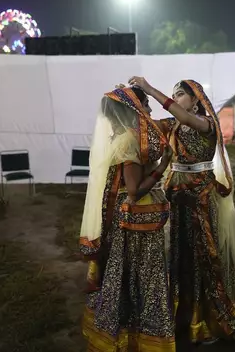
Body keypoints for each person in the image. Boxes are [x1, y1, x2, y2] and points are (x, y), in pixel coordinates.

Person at [126, 77, 235, 345]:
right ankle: (180, 319)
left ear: (196, 101)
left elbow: (179, 115)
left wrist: (149, 88)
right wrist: (132, 101)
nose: (176, 99)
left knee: (204, 257)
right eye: (174, 95)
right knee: (179, 256)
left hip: (201, 200)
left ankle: (207, 321)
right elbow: (145, 125)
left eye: (181, 94)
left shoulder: (206, 125)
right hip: (176, 197)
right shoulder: (172, 126)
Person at [79, 86, 176, 352]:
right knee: (144, 278)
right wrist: (163, 166)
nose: (150, 110)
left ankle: (131, 335)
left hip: (137, 221)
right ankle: (143, 339)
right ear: (134, 109)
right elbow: (133, 192)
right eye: (146, 105)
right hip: (136, 223)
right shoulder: (129, 140)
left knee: (133, 278)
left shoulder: (125, 136)